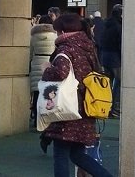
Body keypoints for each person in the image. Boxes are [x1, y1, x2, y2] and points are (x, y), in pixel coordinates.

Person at [40, 13, 114, 177]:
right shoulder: (88, 46)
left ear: (63, 31)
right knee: (77, 154)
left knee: (60, 154)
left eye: (58, 31)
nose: (57, 34)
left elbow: (60, 72)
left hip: (67, 109)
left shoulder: (66, 48)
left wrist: (46, 70)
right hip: (86, 107)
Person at [100, 4, 123, 118]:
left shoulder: (106, 24)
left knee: (107, 83)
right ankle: (115, 109)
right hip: (115, 57)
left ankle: (106, 107)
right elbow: (120, 43)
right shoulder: (118, 27)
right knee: (119, 83)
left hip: (104, 55)